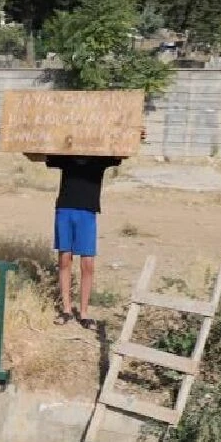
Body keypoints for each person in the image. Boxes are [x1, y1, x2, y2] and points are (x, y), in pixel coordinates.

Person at [27, 129, 144, 330]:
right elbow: (34, 155)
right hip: (65, 208)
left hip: (88, 212)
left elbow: (124, 152)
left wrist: (135, 136)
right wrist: (16, 135)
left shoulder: (101, 154)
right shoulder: (66, 152)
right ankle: (66, 309)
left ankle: (84, 312)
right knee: (65, 259)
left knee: (88, 264)